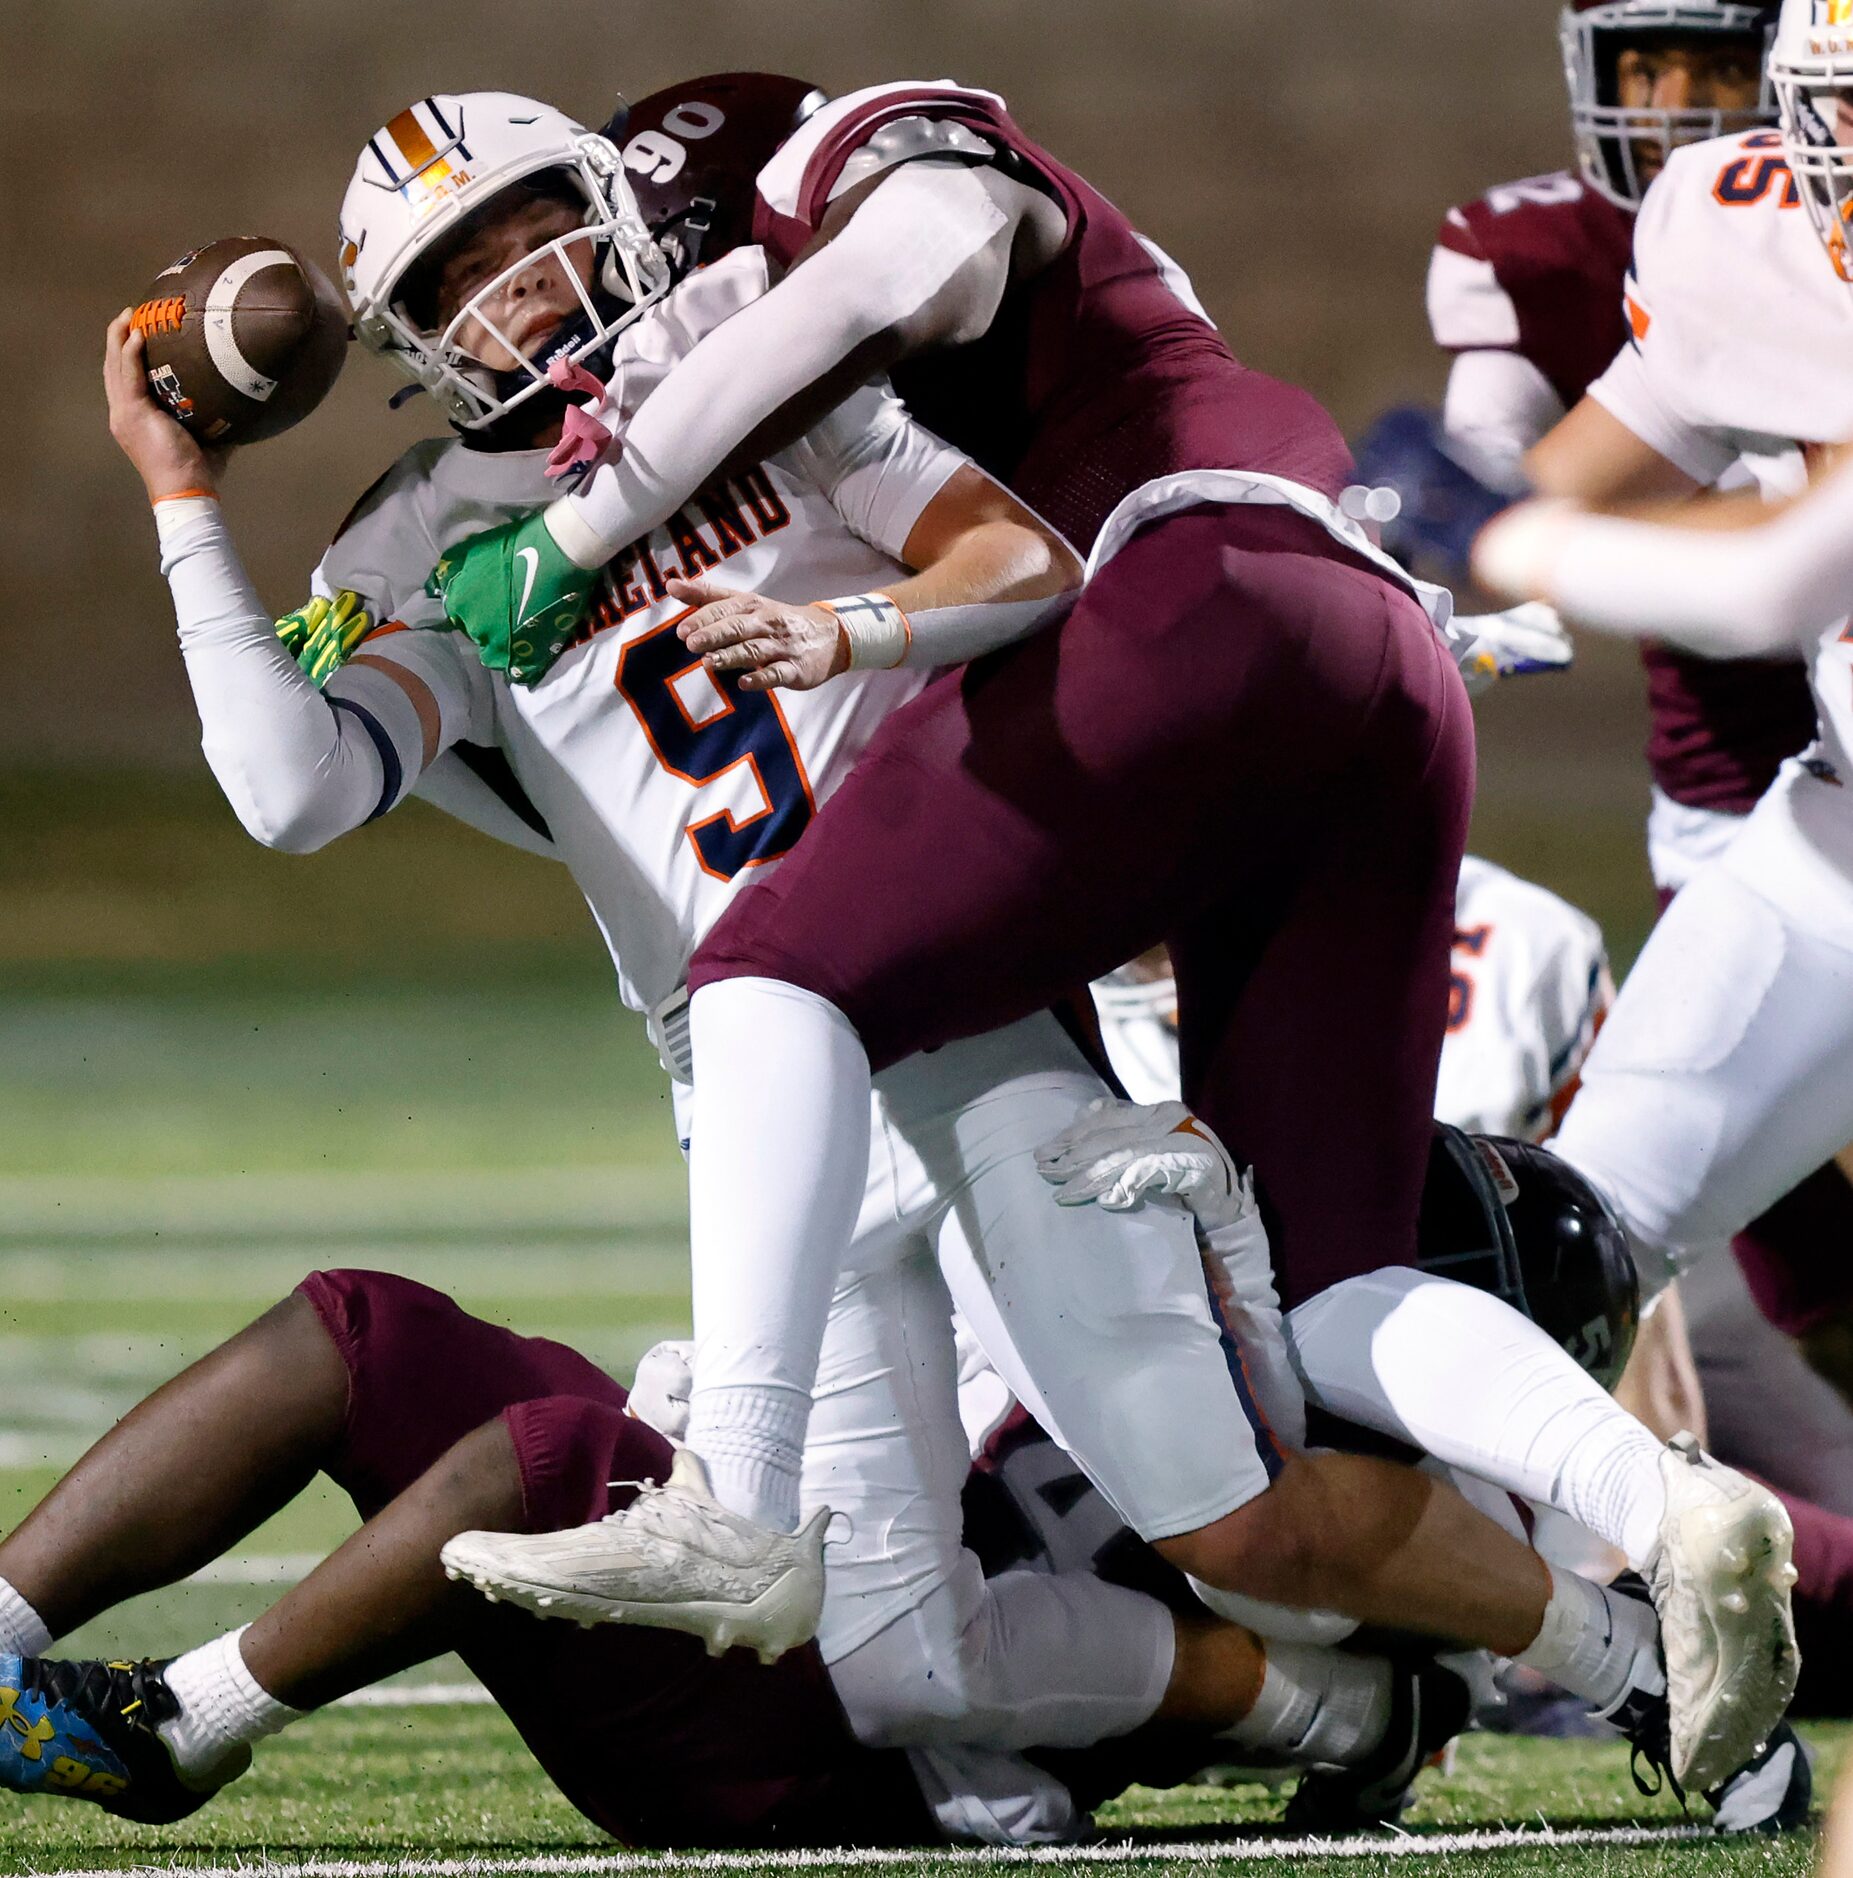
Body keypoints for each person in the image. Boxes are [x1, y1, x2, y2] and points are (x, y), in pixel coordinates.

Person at [106, 84, 1796, 1799]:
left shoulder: (742, 357)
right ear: (410, 332)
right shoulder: (410, 538)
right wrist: (185, 498)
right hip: (746, 1094)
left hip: (959, 1001)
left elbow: (1024, 563)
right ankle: (1338, 1707)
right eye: (461, 271)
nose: (516, 287)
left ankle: (1618, 1653)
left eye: (534, 227)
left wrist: (844, 631)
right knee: (905, 1664)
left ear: (606, 205)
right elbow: (287, 792)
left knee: (1226, 1506)